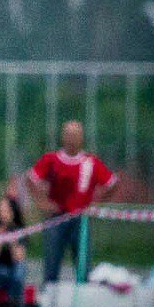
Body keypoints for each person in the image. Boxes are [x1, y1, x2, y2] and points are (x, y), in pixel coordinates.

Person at [26, 120, 119, 284]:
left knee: (83, 264)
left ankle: (83, 299)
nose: (72, 139)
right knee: (51, 264)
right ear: (63, 137)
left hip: (81, 220)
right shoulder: (51, 159)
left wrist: (97, 203)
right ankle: (50, 299)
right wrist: (42, 203)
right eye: (68, 134)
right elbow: (31, 179)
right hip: (56, 218)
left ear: (81, 138)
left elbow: (112, 183)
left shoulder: (90, 162)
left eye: (75, 135)